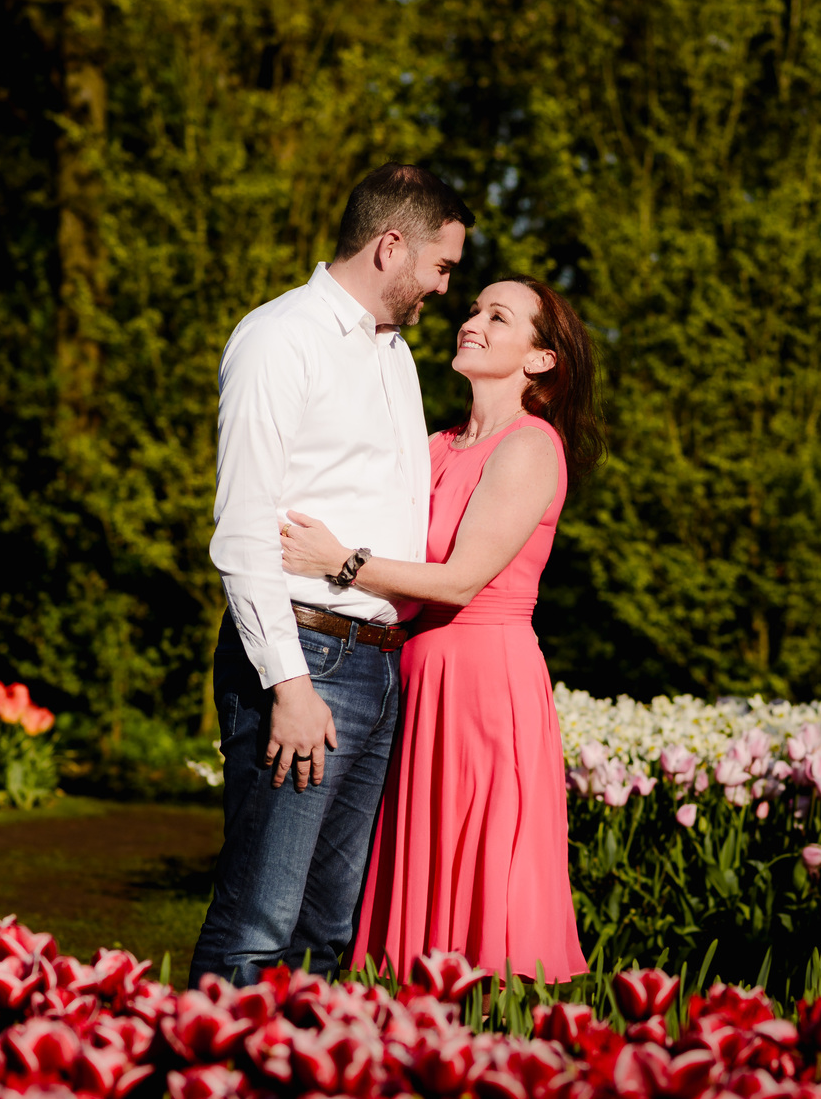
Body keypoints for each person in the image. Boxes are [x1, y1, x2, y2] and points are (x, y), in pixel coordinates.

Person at [188, 163, 475, 988]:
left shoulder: (393, 353)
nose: (442, 288)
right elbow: (244, 531)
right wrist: (288, 684)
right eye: (441, 266)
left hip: (378, 662)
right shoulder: (280, 338)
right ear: (393, 245)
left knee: (327, 928)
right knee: (257, 921)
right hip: (305, 658)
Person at [279, 274, 605, 982]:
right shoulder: (432, 446)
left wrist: (341, 562)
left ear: (540, 359)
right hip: (414, 674)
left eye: (499, 316)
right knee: (404, 858)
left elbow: (461, 580)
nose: (472, 320)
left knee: (475, 858)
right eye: (474, 307)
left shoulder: (530, 446)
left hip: (485, 681)